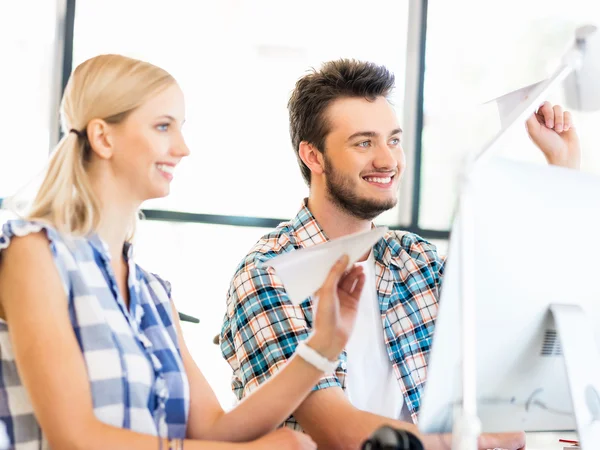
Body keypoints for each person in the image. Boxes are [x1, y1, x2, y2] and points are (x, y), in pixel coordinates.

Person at [0, 54, 368, 450]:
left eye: (181, 128)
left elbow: (212, 429)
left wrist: (323, 345)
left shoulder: (154, 294)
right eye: (163, 126)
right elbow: (76, 438)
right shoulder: (34, 253)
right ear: (103, 137)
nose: (182, 148)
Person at [219, 58, 581, 450]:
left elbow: (516, 327)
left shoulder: (416, 260)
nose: (388, 160)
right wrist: (472, 440)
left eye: (393, 139)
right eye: (363, 142)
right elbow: (336, 431)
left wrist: (561, 168)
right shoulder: (268, 274)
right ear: (314, 156)